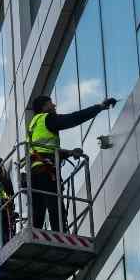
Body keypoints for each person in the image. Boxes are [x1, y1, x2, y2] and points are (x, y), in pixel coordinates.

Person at [27, 94, 117, 231]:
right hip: (46, 170)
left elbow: (45, 149)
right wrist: (99, 107)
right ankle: (60, 236)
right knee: (55, 206)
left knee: (38, 211)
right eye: (51, 103)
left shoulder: (33, 124)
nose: (54, 106)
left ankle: (34, 235)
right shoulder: (47, 118)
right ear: (44, 107)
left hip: (34, 172)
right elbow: (74, 118)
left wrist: (69, 153)